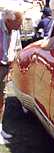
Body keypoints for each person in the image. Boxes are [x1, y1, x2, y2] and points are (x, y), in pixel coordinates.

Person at [0, 8, 23, 144]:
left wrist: (10, 68)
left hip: (5, 67)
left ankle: (0, 129)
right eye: (18, 23)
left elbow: (16, 48)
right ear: (8, 21)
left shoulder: (15, 31)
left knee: (2, 99)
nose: (20, 26)